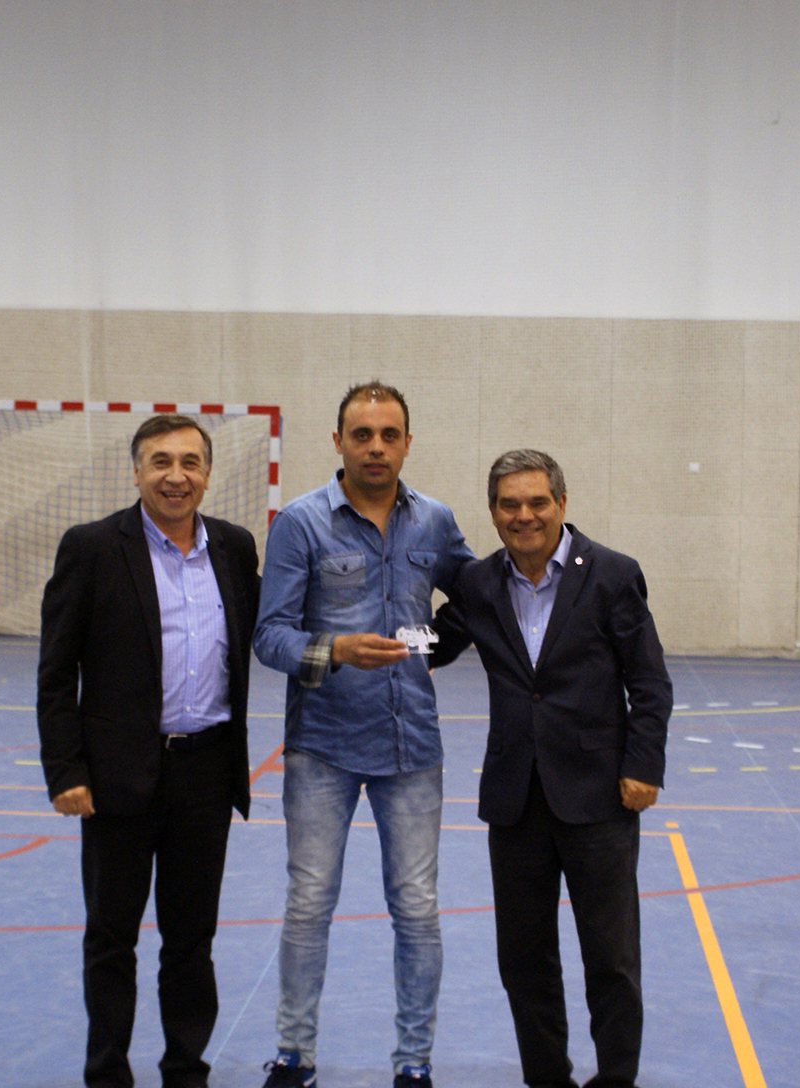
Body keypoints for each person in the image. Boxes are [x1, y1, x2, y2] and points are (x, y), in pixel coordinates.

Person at [428, 450, 670, 1088]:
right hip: (515, 801)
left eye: (537, 502)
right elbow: (435, 643)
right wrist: (366, 636)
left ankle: (616, 1079)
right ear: (493, 513)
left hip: (600, 798)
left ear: (562, 503)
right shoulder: (479, 583)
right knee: (524, 961)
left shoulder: (613, 574)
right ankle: (546, 1079)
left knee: (611, 959)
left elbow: (649, 682)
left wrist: (643, 765)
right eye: (510, 504)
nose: (524, 515)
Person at [253, 382, 471, 1088]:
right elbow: (270, 634)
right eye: (362, 434)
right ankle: (295, 1056)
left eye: (388, 435)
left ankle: (414, 1063)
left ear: (407, 443)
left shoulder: (434, 520)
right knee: (309, 904)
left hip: (412, 748)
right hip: (323, 747)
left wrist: (433, 645)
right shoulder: (300, 523)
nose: (375, 447)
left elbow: (477, 596)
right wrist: (334, 650)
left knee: (417, 910)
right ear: (338, 441)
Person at [37, 414, 261, 1088]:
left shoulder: (234, 548)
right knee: (112, 939)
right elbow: (56, 672)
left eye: (190, 462)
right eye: (161, 461)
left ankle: (185, 1070)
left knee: (192, 940)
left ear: (208, 474)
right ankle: (107, 1072)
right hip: (116, 778)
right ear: (136, 472)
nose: (176, 476)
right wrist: (66, 770)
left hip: (207, 772)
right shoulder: (92, 548)